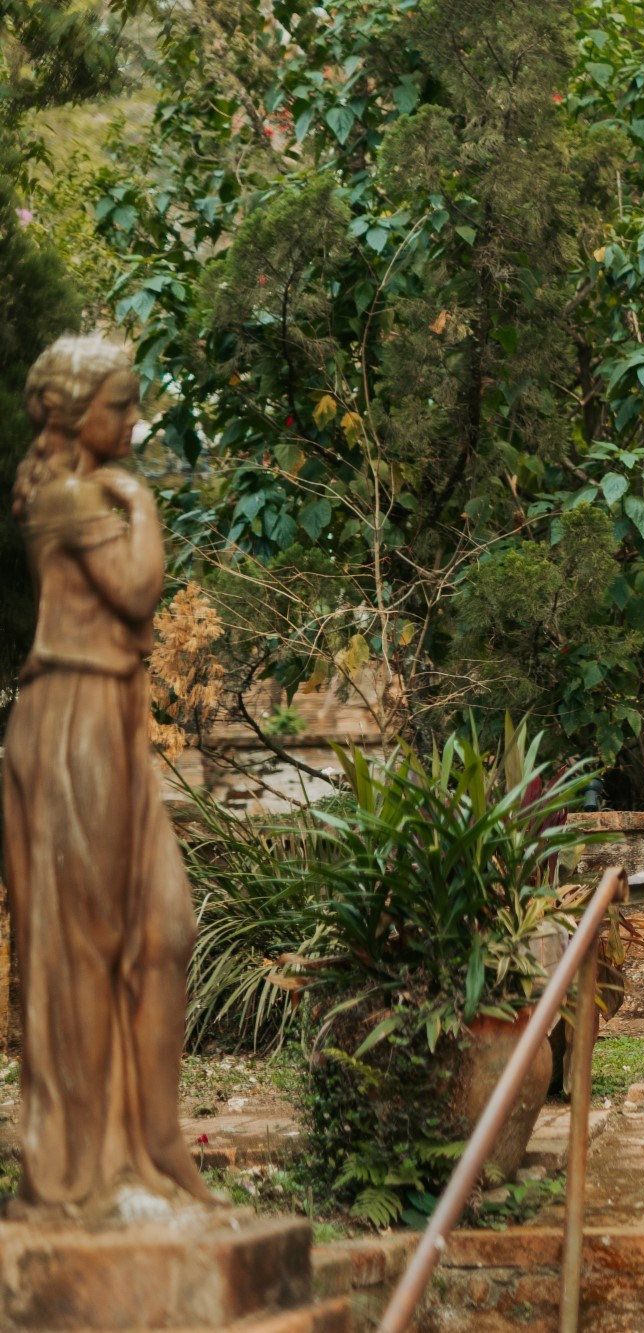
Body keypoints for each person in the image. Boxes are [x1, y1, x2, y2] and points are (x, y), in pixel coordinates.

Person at [4, 334, 216, 1220]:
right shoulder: (68, 497)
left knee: (165, 926)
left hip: (115, 715)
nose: (134, 420)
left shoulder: (91, 490)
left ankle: (155, 1147)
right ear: (70, 412)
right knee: (83, 946)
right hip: (72, 716)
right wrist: (142, 499)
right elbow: (136, 590)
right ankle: (89, 1169)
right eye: (119, 406)